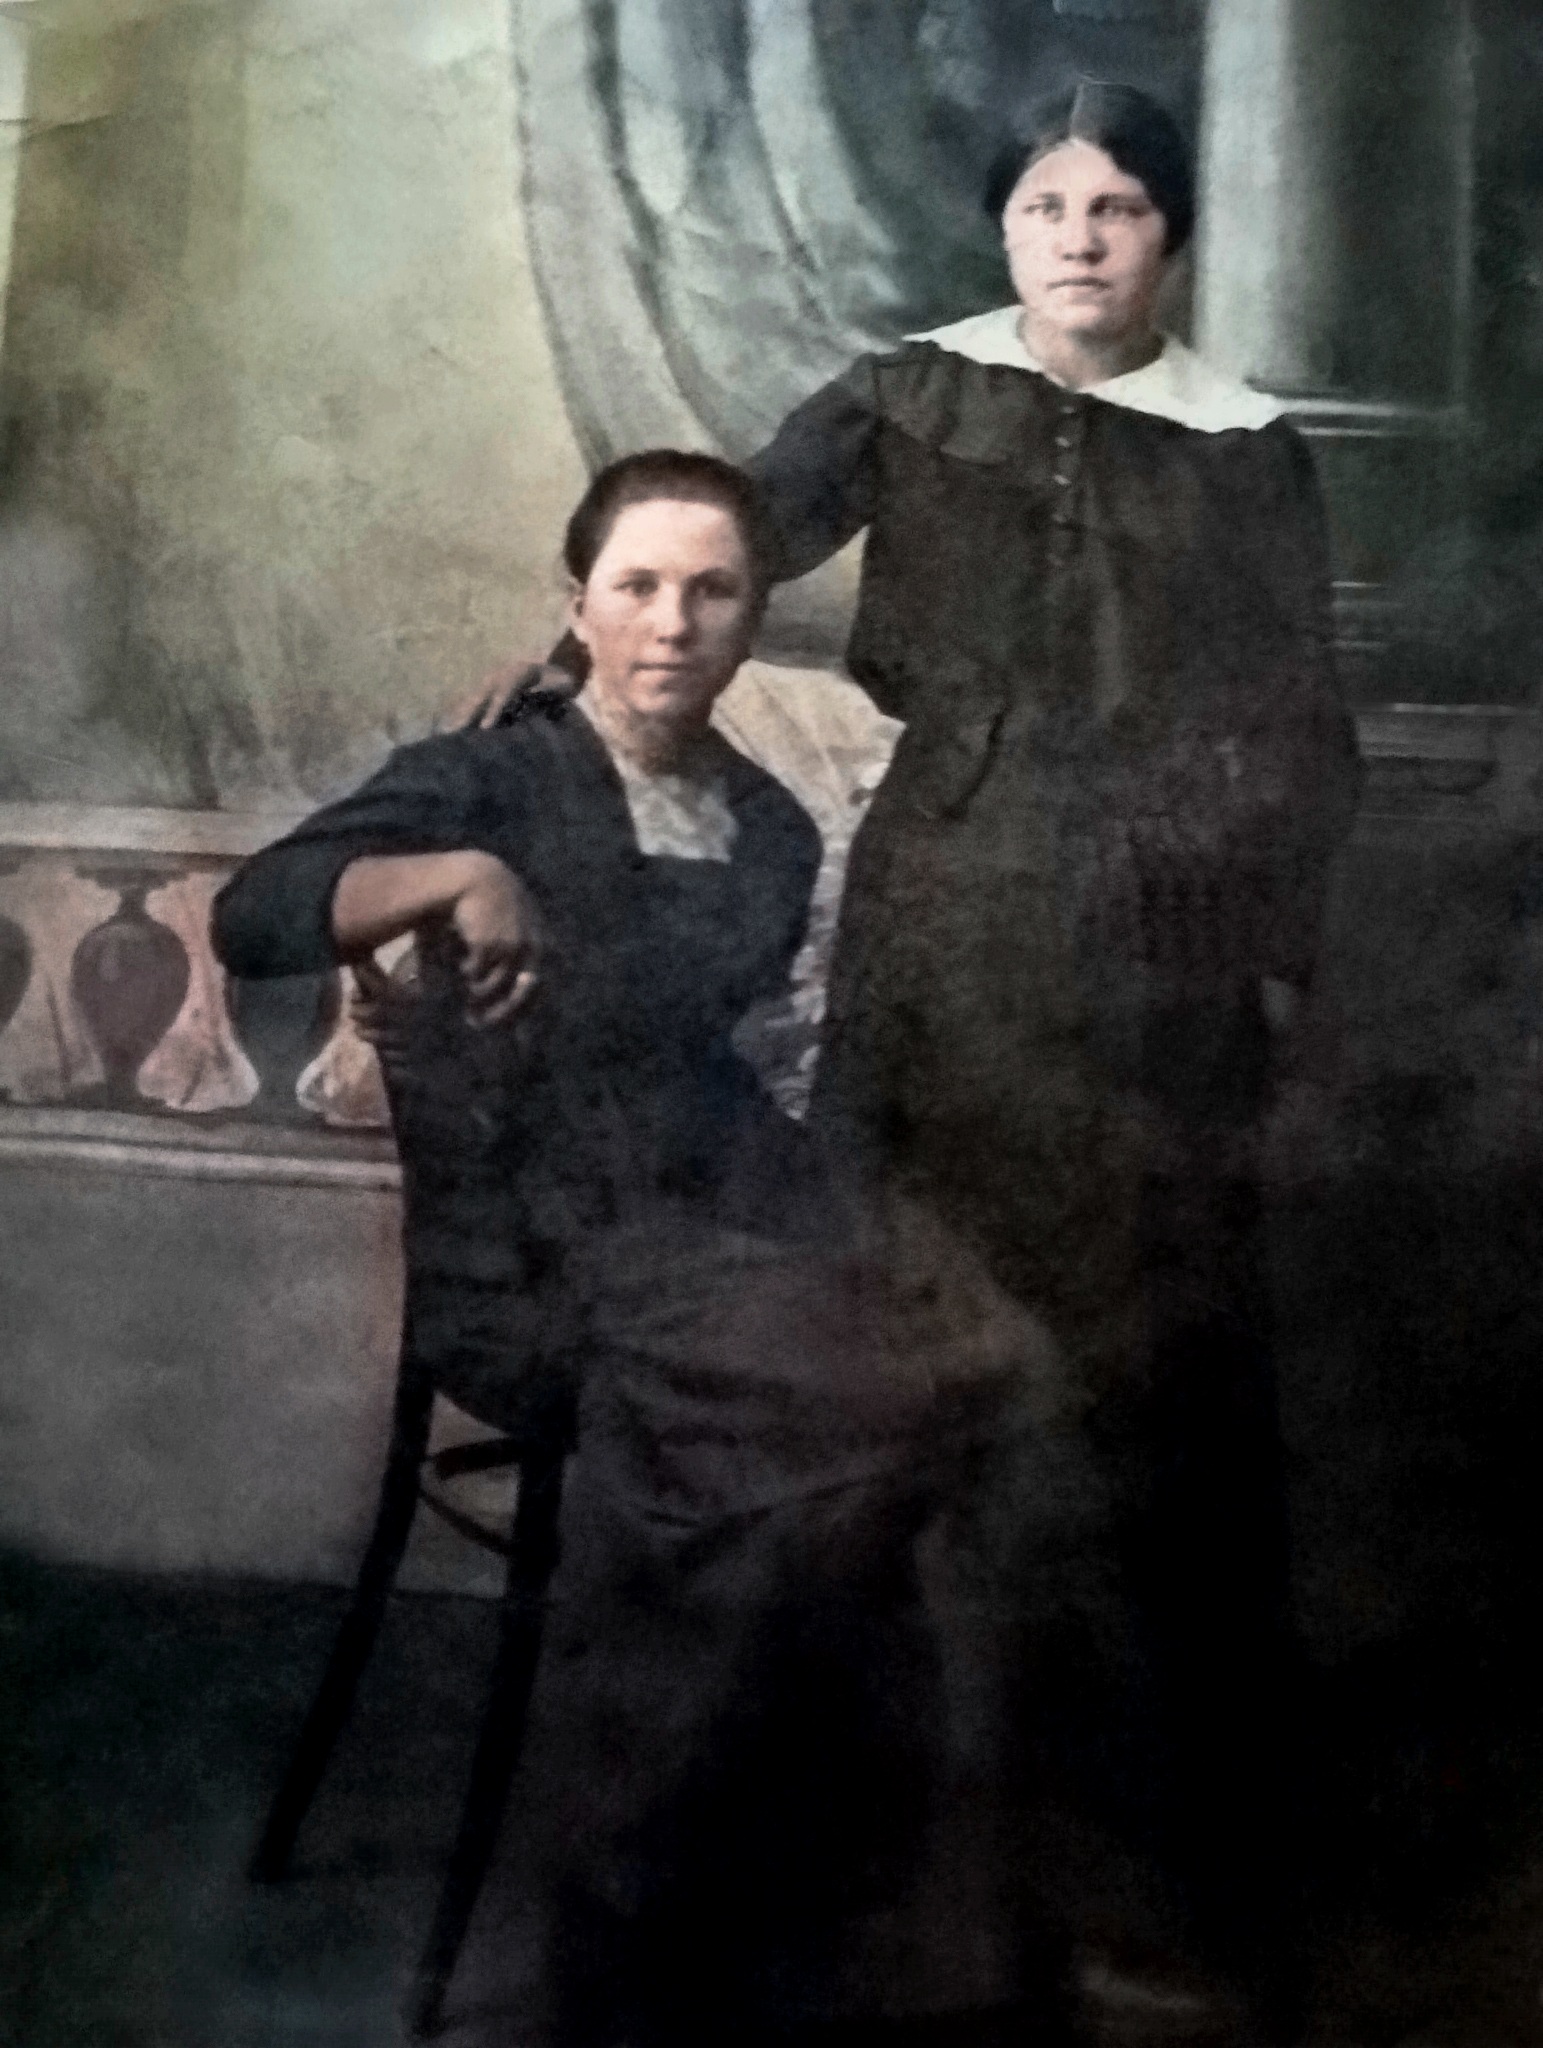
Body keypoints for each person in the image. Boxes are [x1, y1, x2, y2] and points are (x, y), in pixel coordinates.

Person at [470, 81, 1364, 2023]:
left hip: (1155, 961)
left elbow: (1299, 720)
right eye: (1046, 204)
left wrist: (1265, 962)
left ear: (1171, 233)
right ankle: (895, 1858)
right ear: (1003, 226)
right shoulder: (909, 392)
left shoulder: (1248, 449)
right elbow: (722, 537)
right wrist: (575, 667)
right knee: (908, 1361)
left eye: (1118, 207)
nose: (1078, 238)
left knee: (1139, 1404)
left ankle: (1139, 1879)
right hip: (942, 924)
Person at [212, 452, 1099, 2045]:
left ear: (754, 619)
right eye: (636, 586)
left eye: (713, 592)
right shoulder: (491, 778)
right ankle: (656, 1917)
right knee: (864, 1413)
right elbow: (256, 913)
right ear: (579, 606)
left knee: (1005, 1372)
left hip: (727, 1203)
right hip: (545, 1246)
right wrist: (460, 875)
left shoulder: (768, 826)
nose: (673, 623)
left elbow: (698, 1058)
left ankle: (872, 1906)